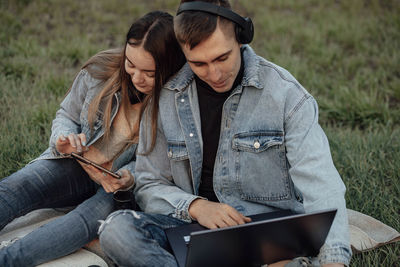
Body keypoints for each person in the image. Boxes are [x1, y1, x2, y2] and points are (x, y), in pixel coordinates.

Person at [99, 1, 352, 266]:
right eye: (199, 63)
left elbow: (321, 183)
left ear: (241, 39)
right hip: (193, 228)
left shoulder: (288, 96)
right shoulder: (168, 96)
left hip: (264, 236)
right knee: (116, 230)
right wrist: (197, 207)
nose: (215, 74)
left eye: (222, 57)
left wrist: (334, 259)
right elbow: (149, 183)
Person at [0, 11, 185, 267]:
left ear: (170, 67)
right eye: (130, 64)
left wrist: (129, 177)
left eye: (150, 73)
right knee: (18, 186)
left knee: (83, 222)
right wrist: (62, 138)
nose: (136, 77)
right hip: (78, 163)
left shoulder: (178, 103)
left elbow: (162, 166)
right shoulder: (100, 71)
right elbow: (66, 113)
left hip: (120, 189)